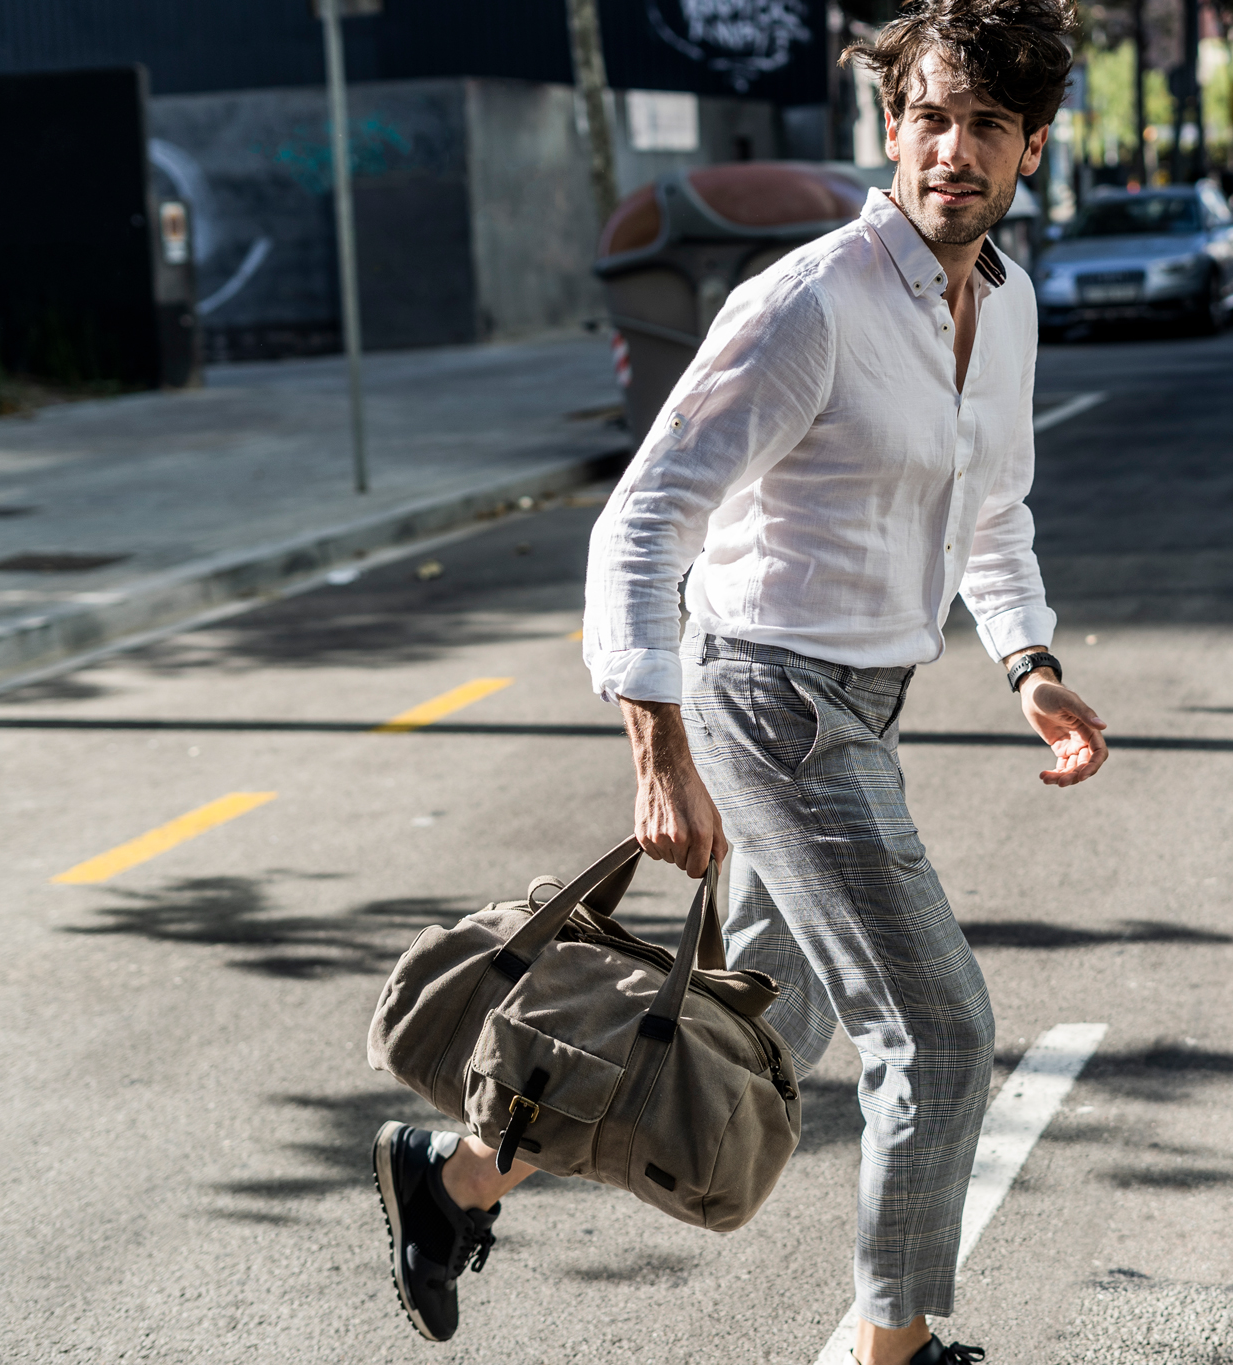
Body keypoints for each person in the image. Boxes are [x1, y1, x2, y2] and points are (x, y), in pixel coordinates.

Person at [369, 2, 1110, 1362]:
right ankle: (896, 1351)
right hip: (771, 702)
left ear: (1032, 148)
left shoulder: (1003, 313)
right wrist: (658, 749)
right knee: (938, 1036)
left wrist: (1031, 663)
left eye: (987, 127)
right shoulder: (810, 302)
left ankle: (457, 1175)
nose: (956, 150)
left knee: (746, 1031)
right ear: (895, 130)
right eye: (932, 119)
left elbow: (990, 514)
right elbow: (642, 523)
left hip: (863, 707)